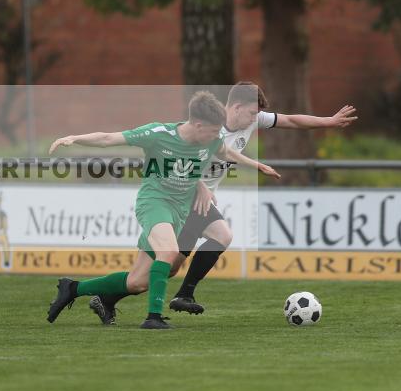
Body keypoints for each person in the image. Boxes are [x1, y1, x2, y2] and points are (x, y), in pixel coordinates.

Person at [88, 82, 357, 324]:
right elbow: (178, 159)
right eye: (251, 113)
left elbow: (290, 120)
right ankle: (172, 296)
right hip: (180, 198)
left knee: (162, 271)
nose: (255, 119)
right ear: (236, 107)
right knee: (209, 242)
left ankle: (110, 298)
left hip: (198, 203)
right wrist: (200, 185)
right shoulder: (205, 128)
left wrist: (329, 121)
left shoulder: (249, 119)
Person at [46, 91, 281, 329]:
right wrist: (74, 138)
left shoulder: (211, 139)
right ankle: (153, 318)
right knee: (168, 252)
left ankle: (73, 288)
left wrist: (257, 165)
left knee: (137, 282)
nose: (216, 137)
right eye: (213, 131)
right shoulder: (158, 134)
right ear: (198, 125)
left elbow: (226, 152)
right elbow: (108, 138)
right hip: (154, 203)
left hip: (179, 210)